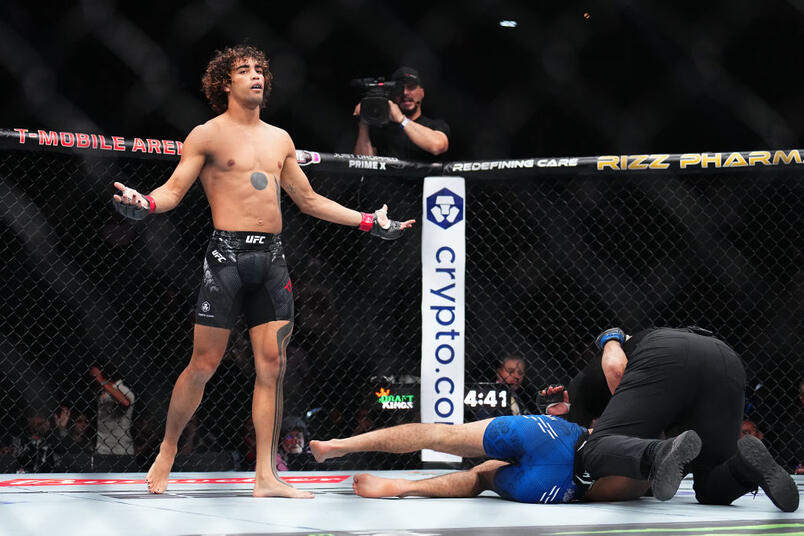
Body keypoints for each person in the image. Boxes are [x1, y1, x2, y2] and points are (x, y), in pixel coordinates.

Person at [111, 44, 414, 498]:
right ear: (224, 83)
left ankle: (265, 476)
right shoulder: (207, 135)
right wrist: (146, 205)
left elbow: (309, 200)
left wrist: (370, 221)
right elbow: (173, 191)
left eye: (260, 70)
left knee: (272, 366)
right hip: (226, 258)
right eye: (244, 70)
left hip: (271, 260)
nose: (255, 76)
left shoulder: (280, 139)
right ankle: (168, 449)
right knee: (204, 363)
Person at [578, 326, 798, 512]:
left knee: (596, 447)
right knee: (709, 487)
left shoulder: (587, 385)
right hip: (726, 358)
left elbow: (615, 370)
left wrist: (610, 337)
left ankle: (659, 452)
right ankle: (744, 466)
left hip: (665, 353)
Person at [310, 415, 588, 503]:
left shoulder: (627, 375)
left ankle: (340, 446)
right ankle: (402, 488)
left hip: (554, 435)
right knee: (480, 478)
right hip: (560, 485)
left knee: (442, 435)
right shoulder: (633, 473)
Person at [353, 66, 450, 161]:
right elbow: (363, 164)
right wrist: (363, 123)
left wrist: (401, 119)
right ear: (393, 95)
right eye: (399, 88)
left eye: (411, 87)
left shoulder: (436, 125)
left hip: (424, 177)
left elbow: (438, 146)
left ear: (422, 93)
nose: (405, 93)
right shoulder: (381, 128)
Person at [90, 365, 135, 455]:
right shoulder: (104, 391)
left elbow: (125, 402)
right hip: (103, 448)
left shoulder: (122, 389)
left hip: (120, 449)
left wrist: (101, 380)